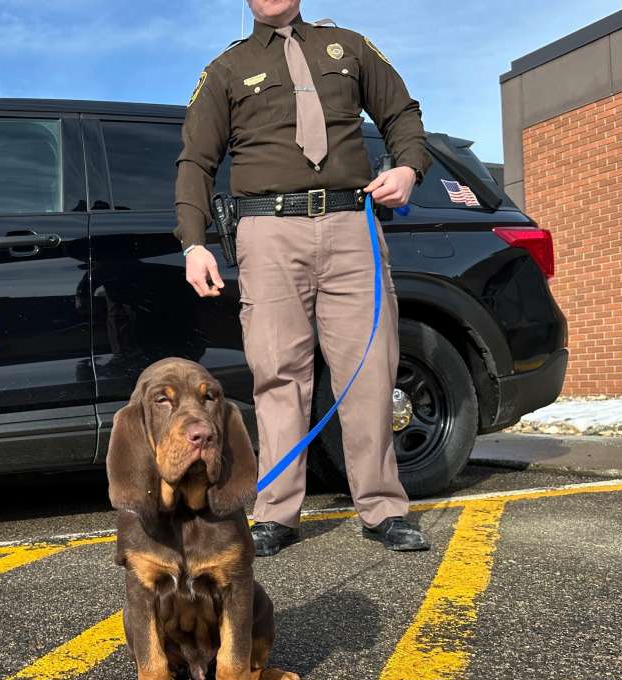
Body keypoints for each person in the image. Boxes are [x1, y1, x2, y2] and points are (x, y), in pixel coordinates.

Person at [175, 0, 431, 555]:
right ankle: (277, 513)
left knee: (371, 371)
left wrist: (408, 167)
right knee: (277, 373)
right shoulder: (227, 68)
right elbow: (196, 160)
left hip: (351, 223)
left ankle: (384, 506)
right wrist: (194, 243)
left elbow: (402, 114)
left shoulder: (351, 48)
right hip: (268, 230)